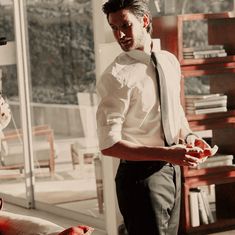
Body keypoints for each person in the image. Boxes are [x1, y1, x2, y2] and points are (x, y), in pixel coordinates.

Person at [96, 1, 217, 235]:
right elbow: (108, 145)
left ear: (144, 21)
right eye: (114, 27)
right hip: (139, 178)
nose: (119, 34)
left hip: (173, 169)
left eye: (125, 25)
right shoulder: (115, 77)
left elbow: (175, 110)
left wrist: (190, 136)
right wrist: (167, 154)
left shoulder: (169, 61)